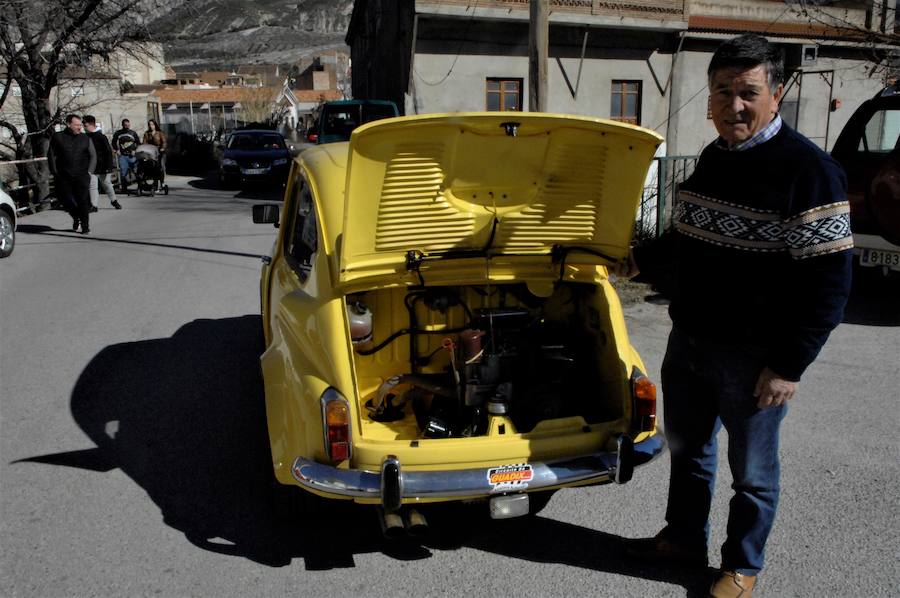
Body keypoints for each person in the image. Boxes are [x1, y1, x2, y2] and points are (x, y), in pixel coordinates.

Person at [620, 34, 853, 598]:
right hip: (691, 342)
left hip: (754, 357)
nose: (734, 105)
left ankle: (743, 567)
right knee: (689, 452)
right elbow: (687, 241)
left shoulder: (810, 172)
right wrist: (633, 261)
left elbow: (829, 284)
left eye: (748, 92)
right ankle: (682, 539)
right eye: (722, 92)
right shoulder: (712, 159)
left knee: (752, 475)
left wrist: (788, 366)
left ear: (776, 93)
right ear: (709, 98)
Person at [47, 114, 96, 234]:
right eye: (77, 125)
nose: (80, 127)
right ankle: (75, 216)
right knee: (65, 199)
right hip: (63, 175)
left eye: (80, 125)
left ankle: (85, 226)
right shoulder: (58, 137)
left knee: (82, 201)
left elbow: (93, 155)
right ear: (68, 125)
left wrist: (90, 172)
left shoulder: (85, 138)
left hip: (82, 175)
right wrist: (54, 172)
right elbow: (51, 156)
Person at [83, 115, 122, 210]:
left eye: (85, 124)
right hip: (91, 166)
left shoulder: (101, 137)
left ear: (90, 124)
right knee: (92, 186)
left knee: (107, 184)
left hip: (103, 166)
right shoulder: (84, 137)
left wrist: (108, 166)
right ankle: (94, 205)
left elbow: (108, 152)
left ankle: (114, 200)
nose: (83, 126)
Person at [111, 118, 140, 193]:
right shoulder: (118, 133)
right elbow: (113, 142)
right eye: (125, 125)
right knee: (123, 173)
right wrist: (117, 150)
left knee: (136, 171)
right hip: (123, 156)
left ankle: (140, 187)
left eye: (128, 125)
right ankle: (124, 189)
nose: (127, 126)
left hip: (132, 156)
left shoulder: (133, 133)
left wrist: (135, 150)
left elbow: (138, 143)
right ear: (122, 125)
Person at [142, 119, 167, 191]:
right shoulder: (146, 134)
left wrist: (162, 148)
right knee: (153, 168)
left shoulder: (160, 133)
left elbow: (164, 142)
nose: (151, 126)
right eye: (149, 125)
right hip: (151, 153)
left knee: (161, 168)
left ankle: (162, 183)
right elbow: (144, 143)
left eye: (152, 124)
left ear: (155, 125)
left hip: (160, 152)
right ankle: (155, 183)